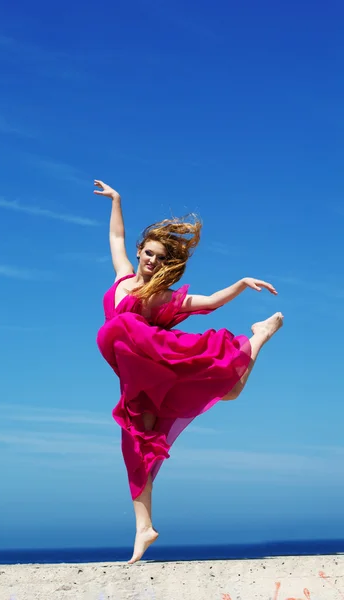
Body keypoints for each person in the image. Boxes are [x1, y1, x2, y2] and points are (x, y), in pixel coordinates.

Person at [95, 180, 283, 564]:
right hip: (135, 384)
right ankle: (143, 528)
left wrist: (242, 284)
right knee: (137, 448)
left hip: (159, 365)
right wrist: (117, 200)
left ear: (167, 265)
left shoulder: (163, 298)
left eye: (160, 258)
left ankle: (259, 337)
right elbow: (116, 236)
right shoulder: (121, 276)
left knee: (224, 387)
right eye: (148, 253)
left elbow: (211, 301)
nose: (151, 261)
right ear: (140, 251)